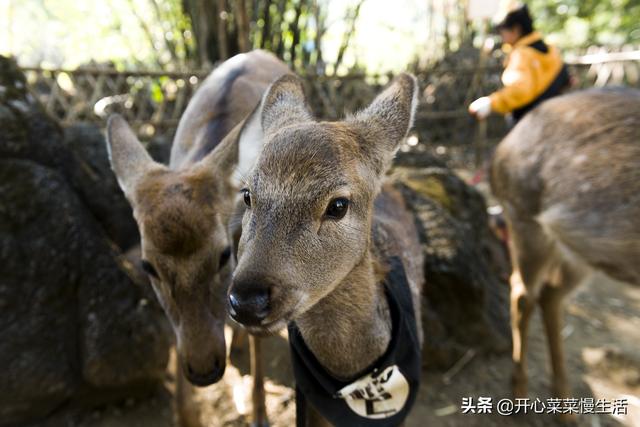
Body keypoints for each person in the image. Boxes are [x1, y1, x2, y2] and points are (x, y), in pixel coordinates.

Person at [468, 4, 570, 123]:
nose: (502, 37)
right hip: (556, 116)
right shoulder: (551, 49)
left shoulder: (522, 55)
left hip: (531, 121)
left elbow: (520, 90)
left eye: (502, 32)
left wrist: (491, 103)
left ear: (515, 29)